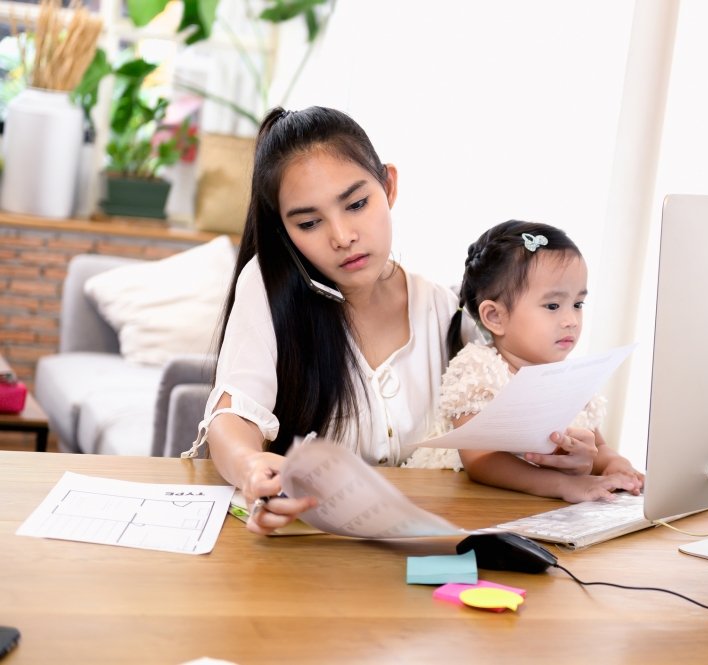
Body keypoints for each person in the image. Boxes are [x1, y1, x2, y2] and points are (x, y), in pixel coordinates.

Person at [183, 106, 481, 534]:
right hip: (308, 552)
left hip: (426, 548)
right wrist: (250, 466)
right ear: (285, 232)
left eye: (357, 204)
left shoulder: (442, 308)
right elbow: (234, 416)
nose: (342, 237)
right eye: (309, 223)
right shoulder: (267, 287)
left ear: (389, 186)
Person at [406, 221, 645, 502]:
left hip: (529, 507)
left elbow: (598, 447)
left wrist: (614, 463)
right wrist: (563, 485)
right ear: (495, 317)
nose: (571, 320)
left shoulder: (570, 377)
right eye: (553, 306)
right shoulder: (479, 369)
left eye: (578, 304)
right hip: (458, 504)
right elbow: (480, 461)